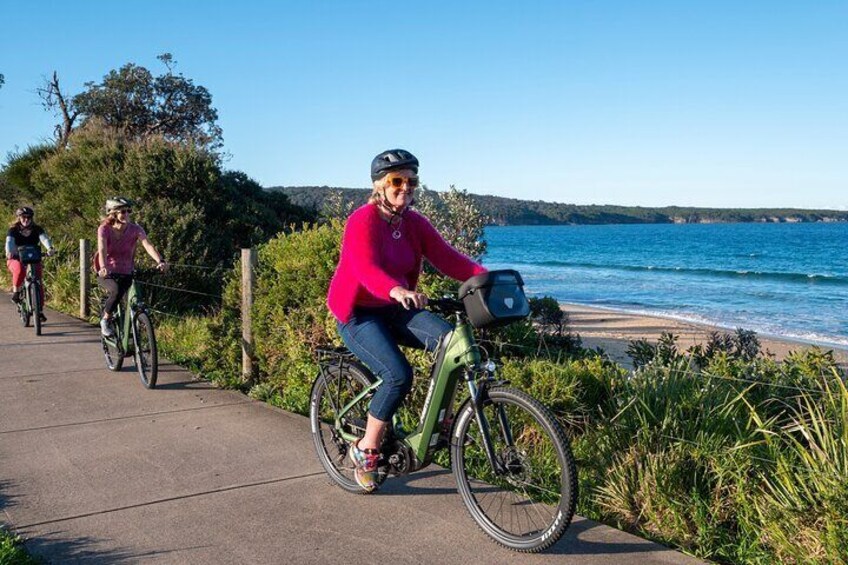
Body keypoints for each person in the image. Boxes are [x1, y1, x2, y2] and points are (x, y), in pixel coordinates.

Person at [327, 149, 487, 492]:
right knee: (398, 375)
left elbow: (448, 258)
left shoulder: (414, 223)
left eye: (412, 180)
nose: (405, 187)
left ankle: (439, 424)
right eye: (396, 181)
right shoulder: (362, 220)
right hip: (358, 312)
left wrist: (486, 280)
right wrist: (396, 289)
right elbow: (365, 269)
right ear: (379, 186)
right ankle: (366, 449)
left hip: (394, 307)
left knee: (450, 344)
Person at [96, 197, 168, 336]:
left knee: (133, 301)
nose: (127, 214)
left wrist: (160, 261)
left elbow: (148, 245)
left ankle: (132, 334)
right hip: (107, 273)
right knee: (116, 291)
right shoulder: (104, 229)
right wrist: (103, 267)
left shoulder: (135, 229)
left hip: (126, 271)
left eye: (129, 211)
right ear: (112, 213)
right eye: (123, 211)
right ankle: (105, 319)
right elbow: (102, 249)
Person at [6, 207, 55, 319]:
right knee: (19, 269)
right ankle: (16, 293)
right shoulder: (13, 230)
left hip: (33, 257)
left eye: (29, 217)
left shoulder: (37, 229)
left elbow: (44, 239)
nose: (26, 220)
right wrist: (9, 252)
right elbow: (9, 242)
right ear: (19, 218)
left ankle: (39, 310)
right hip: (16, 258)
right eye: (23, 217)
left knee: (38, 280)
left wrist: (50, 248)